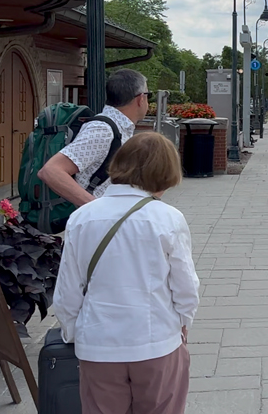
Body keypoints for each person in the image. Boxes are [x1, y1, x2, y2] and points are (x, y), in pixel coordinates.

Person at [53, 132, 199, 414]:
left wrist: (74, 332)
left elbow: (68, 290)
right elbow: (185, 286)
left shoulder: (82, 217)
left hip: (98, 345)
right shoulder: (168, 218)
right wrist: (182, 322)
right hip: (156, 341)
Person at [39, 69, 151, 208]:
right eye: (148, 95)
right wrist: (96, 208)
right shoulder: (103, 130)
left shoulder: (118, 128)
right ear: (140, 98)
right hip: (98, 224)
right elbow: (51, 171)